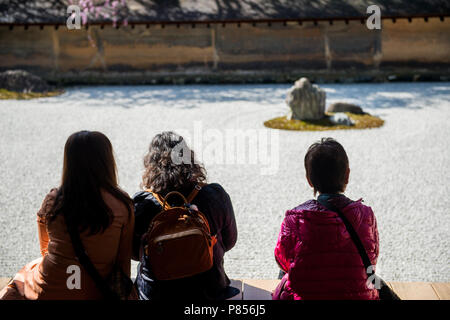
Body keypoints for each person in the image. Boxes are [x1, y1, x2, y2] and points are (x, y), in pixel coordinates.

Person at [0, 131, 134, 300]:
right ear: (107, 161)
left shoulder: (53, 200)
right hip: (97, 291)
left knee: (22, 277)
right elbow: (123, 262)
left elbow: (44, 248)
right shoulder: (122, 204)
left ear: (70, 162)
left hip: (50, 290)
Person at [132, 131, 238, 300]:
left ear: (151, 164)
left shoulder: (142, 203)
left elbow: (134, 253)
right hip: (208, 291)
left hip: (157, 293)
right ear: (189, 158)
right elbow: (230, 241)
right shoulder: (214, 195)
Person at [273, 137, 381, 300]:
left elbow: (282, 260)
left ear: (309, 180)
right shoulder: (367, 215)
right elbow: (372, 257)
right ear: (347, 175)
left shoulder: (295, 219)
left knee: (285, 271)